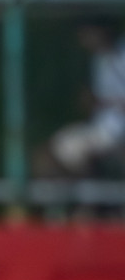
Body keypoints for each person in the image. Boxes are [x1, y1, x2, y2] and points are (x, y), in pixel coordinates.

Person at [48, 18, 125, 175]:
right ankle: (94, 196)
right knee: (54, 152)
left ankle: (96, 197)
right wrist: (93, 104)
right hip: (106, 130)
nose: (85, 41)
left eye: (87, 34)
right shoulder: (99, 60)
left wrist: (101, 102)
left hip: (118, 132)